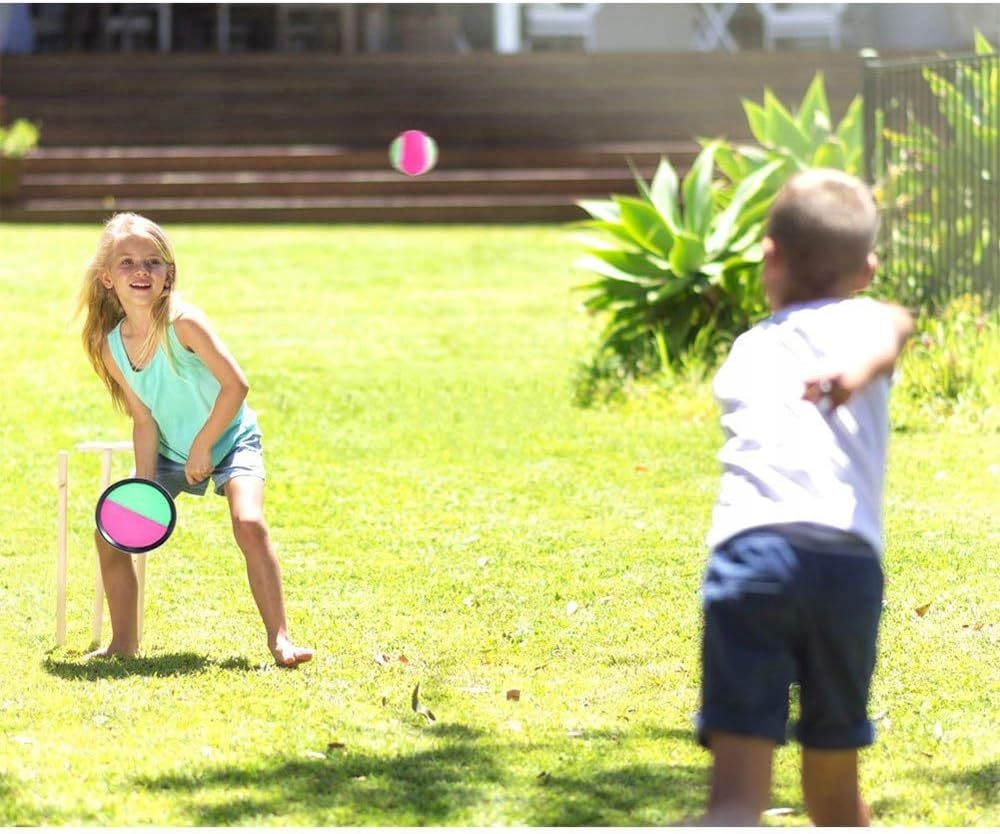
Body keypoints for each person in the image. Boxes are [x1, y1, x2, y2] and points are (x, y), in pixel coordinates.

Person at [696, 169, 914, 825]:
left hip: (753, 556)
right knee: (836, 800)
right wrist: (857, 371)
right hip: (845, 568)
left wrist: (851, 369)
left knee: (736, 802)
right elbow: (894, 327)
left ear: (770, 257)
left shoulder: (747, 349)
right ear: (868, 269)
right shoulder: (867, 324)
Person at [77, 212, 313, 668]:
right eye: (126, 263)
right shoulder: (111, 346)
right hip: (168, 450)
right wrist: (145, 490)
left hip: (230, 438)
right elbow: (144, 420)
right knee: (109, 537)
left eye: (153, 261)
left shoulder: (184, 323)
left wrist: (206, 444)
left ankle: (280, 639)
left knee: (248, 522)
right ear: (107, 278)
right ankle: (123, 644)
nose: (141, 271)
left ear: (169, 275)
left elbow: (236, 386)